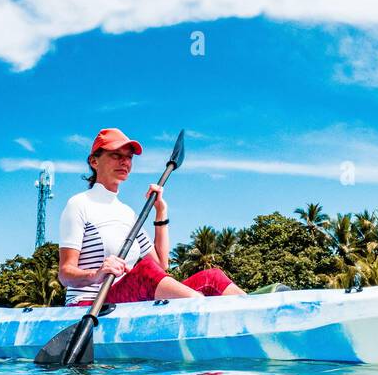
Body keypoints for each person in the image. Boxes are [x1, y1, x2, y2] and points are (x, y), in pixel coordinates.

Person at [57, 128, 245, 307]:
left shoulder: (128, 214)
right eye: (116, 155)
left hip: (123, 300)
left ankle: (254, 317)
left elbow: (161, 266)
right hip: (88, 305)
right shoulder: (79, 204)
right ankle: (199, 309)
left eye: (129, 157)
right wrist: (96, 275)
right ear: (94, 161)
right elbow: (65, 274)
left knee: (212, 277)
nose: (124, 162)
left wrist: (160, 212)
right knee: (144, 272)